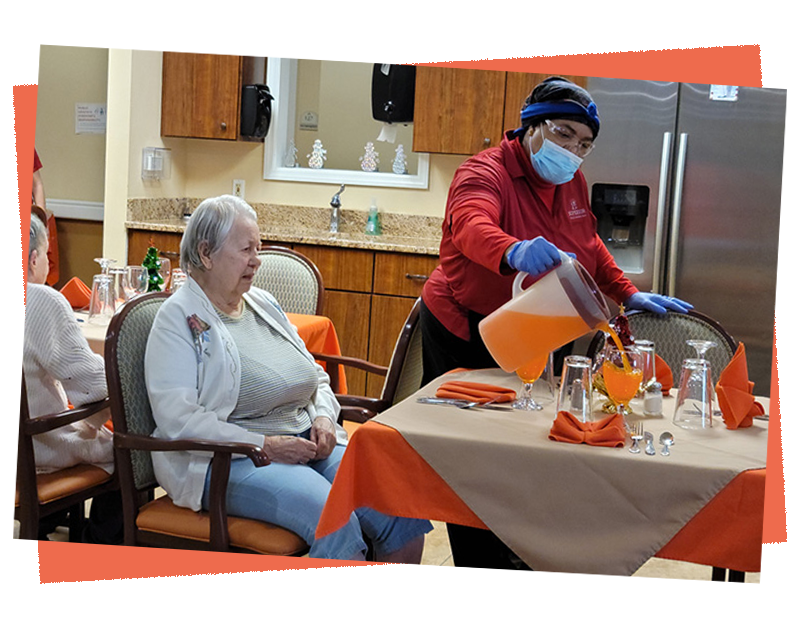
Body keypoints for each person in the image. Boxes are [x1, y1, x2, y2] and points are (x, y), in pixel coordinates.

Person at [419, 76, 692, 583]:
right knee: (471, 459)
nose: (573, 151)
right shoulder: (483, 172)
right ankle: (483, 576)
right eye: (564, 134)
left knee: (526, 445)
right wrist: (512, 250)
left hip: (537, 325)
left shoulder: (571, 182)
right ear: (531, 126)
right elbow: (470, 225)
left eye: (584, 143)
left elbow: (588, 243)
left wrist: (626, 292)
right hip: (467, 325)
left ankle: (523, 559)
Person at [144, 195, 432, 583]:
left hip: (306, 443)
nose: (256, 260)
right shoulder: (177, 319)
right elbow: (178, 420)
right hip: (230, 460)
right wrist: (264, 444)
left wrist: (326, 417)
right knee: (335, 520)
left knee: (399, 509)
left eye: (257, 249)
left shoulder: (262, 303)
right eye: (246, 249)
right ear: (206, 253)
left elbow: (315, 376)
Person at [13, 207, 122, 544]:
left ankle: (41, 536)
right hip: (30, 453)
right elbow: (98, 387)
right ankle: (92, 567)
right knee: (130, 450)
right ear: (33, 259)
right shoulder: (40, 301)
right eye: (45, 255)